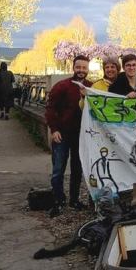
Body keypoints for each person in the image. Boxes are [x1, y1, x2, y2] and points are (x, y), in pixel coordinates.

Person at [44, 55, 92, 217]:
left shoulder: (91, 87)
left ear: (88, 69)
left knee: (77, 169)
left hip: (81, 136)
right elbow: (50, 108)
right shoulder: (62, 86)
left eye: (84, 68)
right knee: (58, 169)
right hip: (62, 134)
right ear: (73, 67)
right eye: (78, 67)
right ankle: (58, 200)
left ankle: (74, 199)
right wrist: (54, 129)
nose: (81, 71)